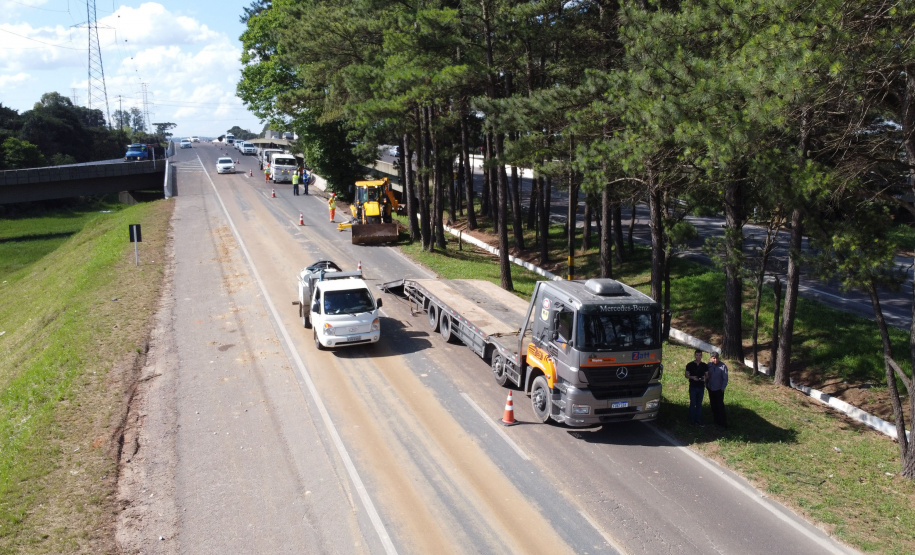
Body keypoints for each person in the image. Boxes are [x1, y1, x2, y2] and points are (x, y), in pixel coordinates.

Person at [706, 352, 729, 428]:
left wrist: (722, 388)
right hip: (711, 389)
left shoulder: (723, 366)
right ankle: (716, 421)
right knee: (713, 405)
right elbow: (706, 375)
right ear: (711, 358)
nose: (715, 360)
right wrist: (707, 385)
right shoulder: (708, 365)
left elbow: (725, 379)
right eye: (714, 358)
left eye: (717, 358)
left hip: (719, 390)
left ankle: (723, 423)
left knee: (720, 406)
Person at [685, 349, 707, 426]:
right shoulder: (690, 365)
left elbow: (707, 375)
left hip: (701, 387)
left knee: (699, 404)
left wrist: (705, 378)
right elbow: (686, 375)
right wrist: (692, 377)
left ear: (702, 356)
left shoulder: (704, 365)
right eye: (697, 355)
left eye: (700, 355)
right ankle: (692, 421)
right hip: (693, 386)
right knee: (693, 403)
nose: (698, 357)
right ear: (695, 355)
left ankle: (698, 420)